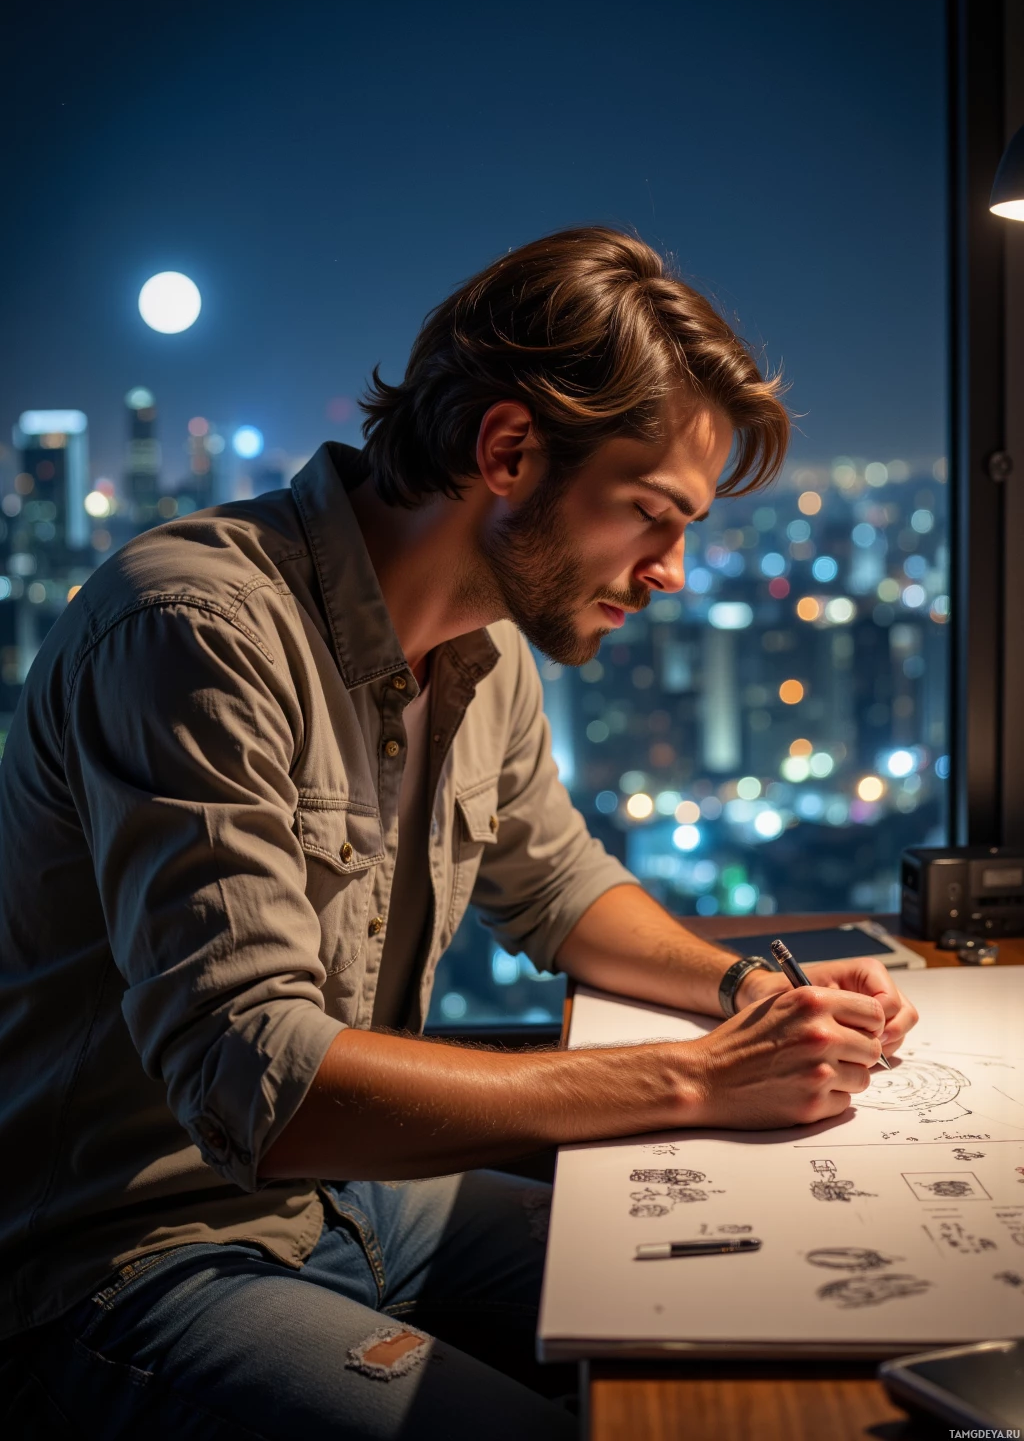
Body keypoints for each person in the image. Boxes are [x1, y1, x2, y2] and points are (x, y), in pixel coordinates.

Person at [0, 227, 917, 1439]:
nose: (671, 573)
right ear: (508, 449)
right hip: (130, 1253)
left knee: (785, 1301)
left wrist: (748, 988)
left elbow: (561, 889)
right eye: (650, 514)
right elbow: (255, 1079)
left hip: (353, 1202)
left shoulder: (480, 648)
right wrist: (696, 1078)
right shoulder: (195, 631)